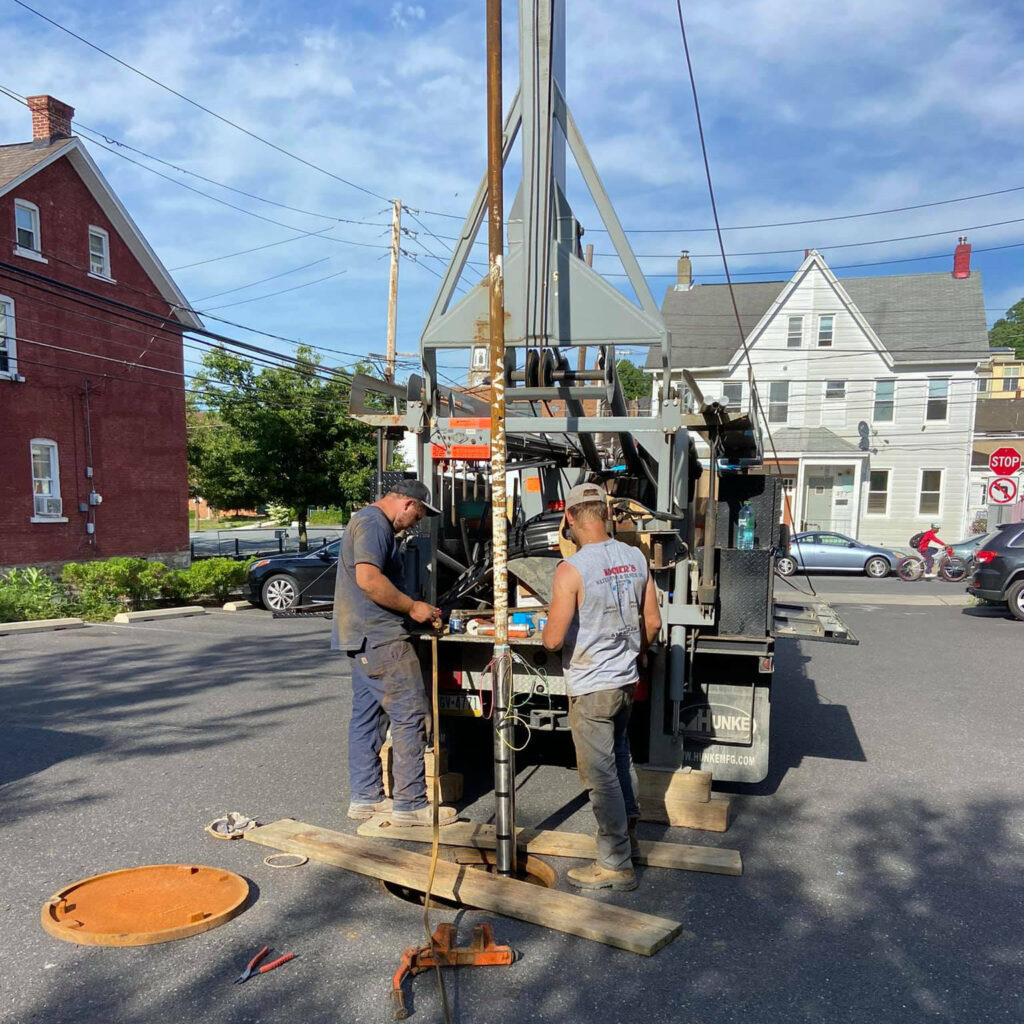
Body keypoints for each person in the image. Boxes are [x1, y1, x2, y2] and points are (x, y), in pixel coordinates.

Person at [541, 482, 662, 891]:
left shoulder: (571, 569)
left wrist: (547, 625)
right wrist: (636, 653)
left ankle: (614, 864)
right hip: (626, 680)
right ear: (606, 514)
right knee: (621, 758)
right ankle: (627, 840)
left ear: (570, 519)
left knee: (600, 775)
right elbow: (653, 623)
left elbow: (554, 639)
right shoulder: (634, 557)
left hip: (592, 685)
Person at [332, 480, 458, 827]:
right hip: (381, 636)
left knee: (367, 718)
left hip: (361, 637)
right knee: (410, 714)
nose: (416, 523)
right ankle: (410, 804)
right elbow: (369, 581)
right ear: (406, 503)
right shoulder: (374, 524)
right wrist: (413, 607)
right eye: (418, 515)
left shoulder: (365, 521)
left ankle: (366, 798)